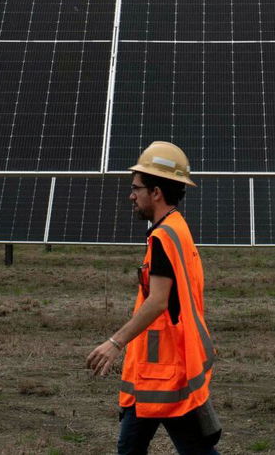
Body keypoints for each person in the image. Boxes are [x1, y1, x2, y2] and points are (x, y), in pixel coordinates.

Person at [85, 141, 221, 455]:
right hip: (153, 367)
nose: (131, 195)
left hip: (164, 370)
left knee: (191, 449)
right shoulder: (178, 229)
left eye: (136, 188)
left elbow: (159, 301)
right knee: (130, 447)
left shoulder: (163, 237)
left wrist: (114, 343)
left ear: (156, 192)